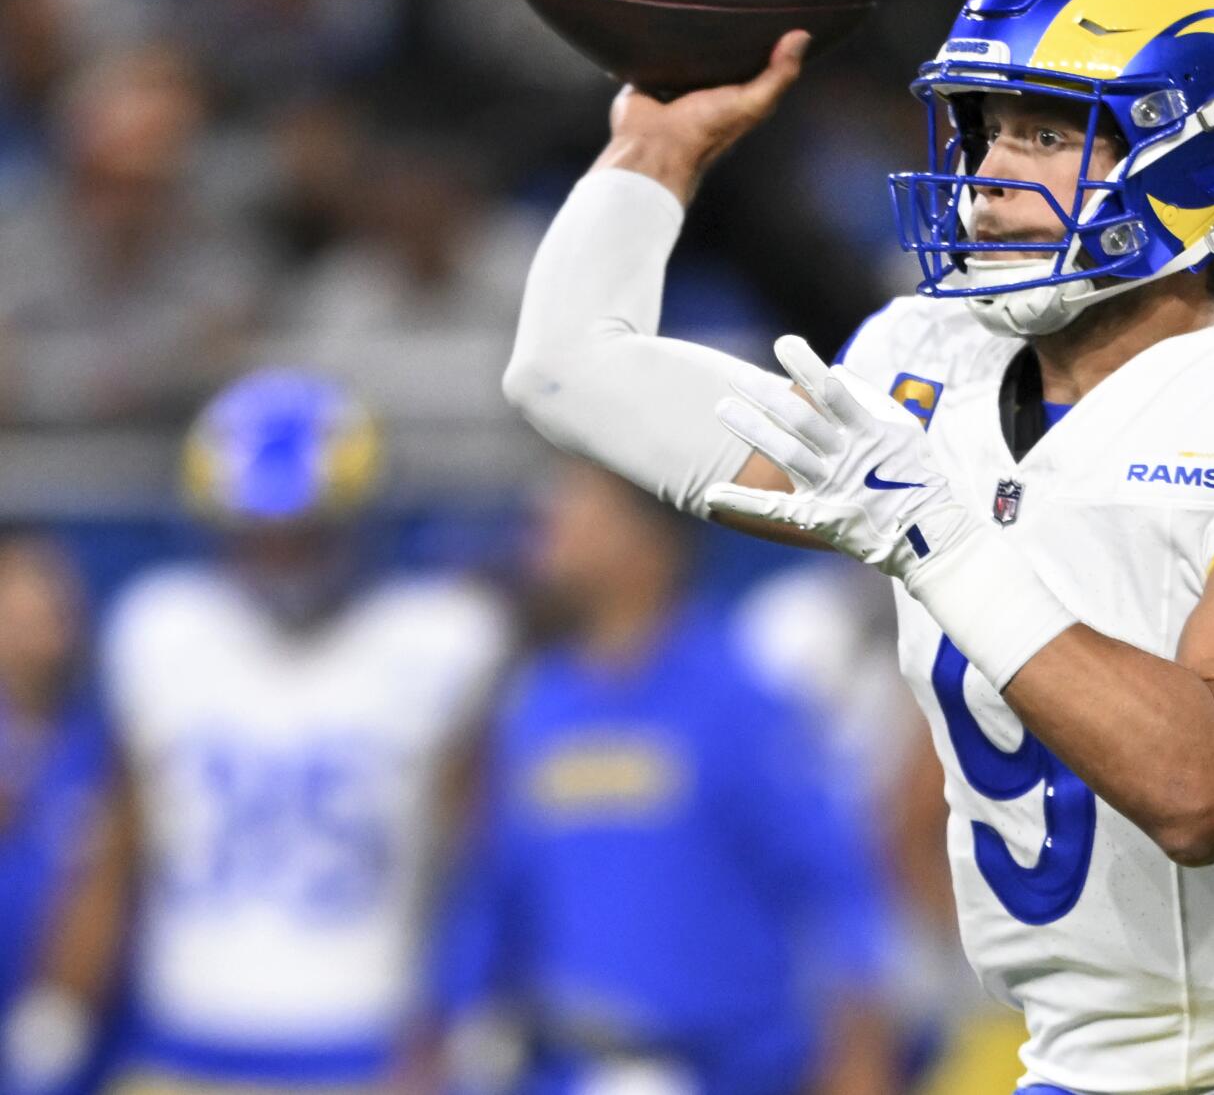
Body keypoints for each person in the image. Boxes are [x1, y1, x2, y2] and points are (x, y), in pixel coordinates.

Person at [504, 0, 1214, 1093]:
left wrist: (933, 534)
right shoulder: (926, 374)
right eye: (984, 129)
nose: (989, 175)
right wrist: (651, 148)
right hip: (1061, 1068)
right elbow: (567, 371)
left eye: (1049, 131)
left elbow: (1203, 785)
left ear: (1199, 150)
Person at [4, 370, 510, 1095]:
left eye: (304, 532)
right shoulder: (165, 629)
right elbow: (122, 846)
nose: (279, 555)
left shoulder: (436, 640)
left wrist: (462, 1012)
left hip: (364, 1050)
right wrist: (60, 1007)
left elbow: (478, 863)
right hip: (183, 1045)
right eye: (257, 531)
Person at [435, 460, 896, 1095]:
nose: (548, 523)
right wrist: (436, 1034)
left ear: (645, 539)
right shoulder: (535, 709)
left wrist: (860, 1051)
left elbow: (836, 892)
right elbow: (492, 902)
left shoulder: (740, 701)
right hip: (562, 1069)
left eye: (578, 505)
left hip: (728, 1071)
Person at [0, 532, 107, 1095]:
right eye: (20, 608)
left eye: (55, 606)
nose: (40, 625)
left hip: (74, 1023)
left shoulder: (104, 743)